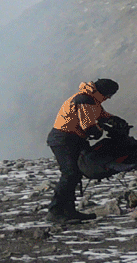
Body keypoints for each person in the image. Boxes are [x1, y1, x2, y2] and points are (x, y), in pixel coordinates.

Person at [46, 78, 119, 224]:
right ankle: (56, 211)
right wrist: (100, 130)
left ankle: (69, 211)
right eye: (109, 95)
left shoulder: (91, 99)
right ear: (104, 93)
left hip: (71, 138)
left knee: (75, 173)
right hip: (64, 139)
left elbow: (101, 114)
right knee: (70, 172)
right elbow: (89, 126)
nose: (109, 98)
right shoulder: (85, 100)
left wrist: (115, 120)